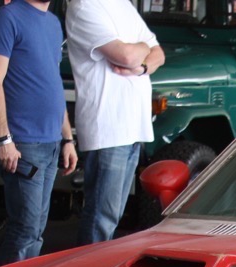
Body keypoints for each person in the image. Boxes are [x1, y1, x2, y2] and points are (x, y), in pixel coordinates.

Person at [0, 0, 78, 265]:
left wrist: (67, 138)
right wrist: (4, 139)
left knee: (35, 230)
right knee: (25, 230)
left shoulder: (53, 23)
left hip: (51, 141)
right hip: (23, 143)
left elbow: (52, 82)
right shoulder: (7, 18)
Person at [67, 0, 165, 244]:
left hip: (132, 126)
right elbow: (125, 55)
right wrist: (143, 47)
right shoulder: (84, 6)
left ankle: (95, 265)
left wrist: (141, 67)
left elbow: (159, 55)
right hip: (107, 127)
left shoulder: (123, 4)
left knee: (112, 216)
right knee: (101, 216)